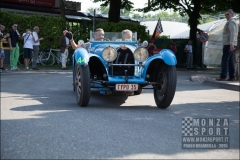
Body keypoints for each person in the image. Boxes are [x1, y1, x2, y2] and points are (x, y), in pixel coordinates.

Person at [216, 9, 239, 81]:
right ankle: (232, 76)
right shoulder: (231, 22)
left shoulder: (231, 22)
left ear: (232, 14)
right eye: (225, 14)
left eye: (227, 14)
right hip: (230, 43)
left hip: (229, 43)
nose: (226, 16)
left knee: (225, 60)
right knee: (230, 60)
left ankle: (223, 76)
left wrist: (231, 43)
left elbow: (233, 33)